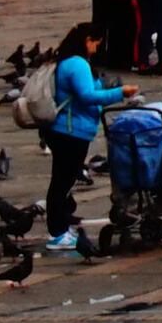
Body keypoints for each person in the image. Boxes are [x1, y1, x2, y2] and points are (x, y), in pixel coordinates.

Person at [41, 22, 120, 250]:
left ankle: (61, 227)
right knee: (62, 183)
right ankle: (57, 233)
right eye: (96, 43)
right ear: (87, 40)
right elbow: (87, 96)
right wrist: (118, 93)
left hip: (66, 130)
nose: (96, 48)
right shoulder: (77, 64)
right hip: (70, 131)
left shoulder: (66, 61)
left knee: (62, 181)